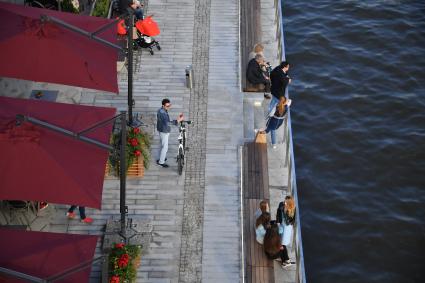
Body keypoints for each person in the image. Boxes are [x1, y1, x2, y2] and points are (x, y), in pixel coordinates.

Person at [157, 98, 184, 168]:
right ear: (163, 105)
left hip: (162, 130)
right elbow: (167, 123)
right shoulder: (163, 113)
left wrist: (177, 120)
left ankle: (161, 158)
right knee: (165, 147)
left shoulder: (161, 110)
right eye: (167, 106)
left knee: (163, 145)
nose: (169, 107)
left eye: (169, 105)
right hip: (164, 131)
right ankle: (161, 162)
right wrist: (178, 120)